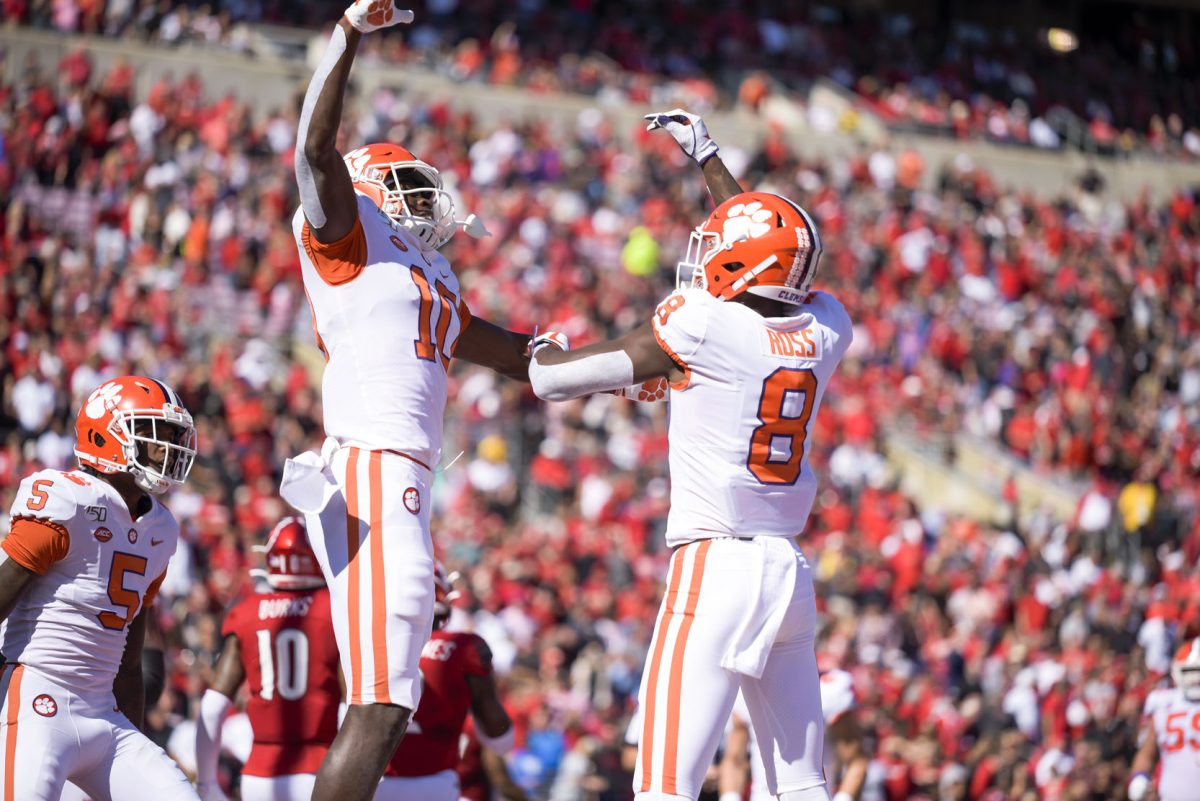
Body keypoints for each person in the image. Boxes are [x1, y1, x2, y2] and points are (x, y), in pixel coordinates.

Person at [528, 109, 853, 801]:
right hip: (786, 569)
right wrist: (708, 159)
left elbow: (552, 380)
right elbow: (771, 249)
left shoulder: (703, 325)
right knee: (798, 786)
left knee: (664, 785)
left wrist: (542, 351)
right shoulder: (827, 326)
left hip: (715, 565)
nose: (704, 253)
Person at [280, 3, 533, 800]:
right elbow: (314, 150)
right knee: (385, 703)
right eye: (411, 189)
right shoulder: (349, 237)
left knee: (388, 699)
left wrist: (635, 365)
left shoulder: (432, 278)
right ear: (373, 190)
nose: (427, 206)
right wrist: (348, 34)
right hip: (373, 469)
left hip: (401, 477)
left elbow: (522, 357)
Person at [0, 376, 200, 801]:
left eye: (170, 436)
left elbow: (129, 659)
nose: (167, 449)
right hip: (37, 698)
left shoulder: (160, 528)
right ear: (107, 435)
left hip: (104, 715)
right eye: (154, 436)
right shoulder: (67, 501)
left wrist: (136, 736)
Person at [194, 517, 341, 801]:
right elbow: (352, 706)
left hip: (260, 775)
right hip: (321, 768)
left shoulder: (247, 611)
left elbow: (212, 707)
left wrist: (206, 782)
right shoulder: (334, 610)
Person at [377, 564, 515, 801]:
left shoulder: (372, 642)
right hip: (435, 783)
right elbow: (499, 737)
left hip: (374, 782)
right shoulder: (464, 647)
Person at [720, 669, 870, 801]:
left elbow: (856, 760)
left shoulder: (829, 690)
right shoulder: (746, 688)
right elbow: (734, 760)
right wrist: (730, 797)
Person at [1128, 637, 1200, 801]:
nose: (1196, 679)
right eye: (1191, 672)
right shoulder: (1165, 703)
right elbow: (1146, 752)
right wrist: (1139, 779)